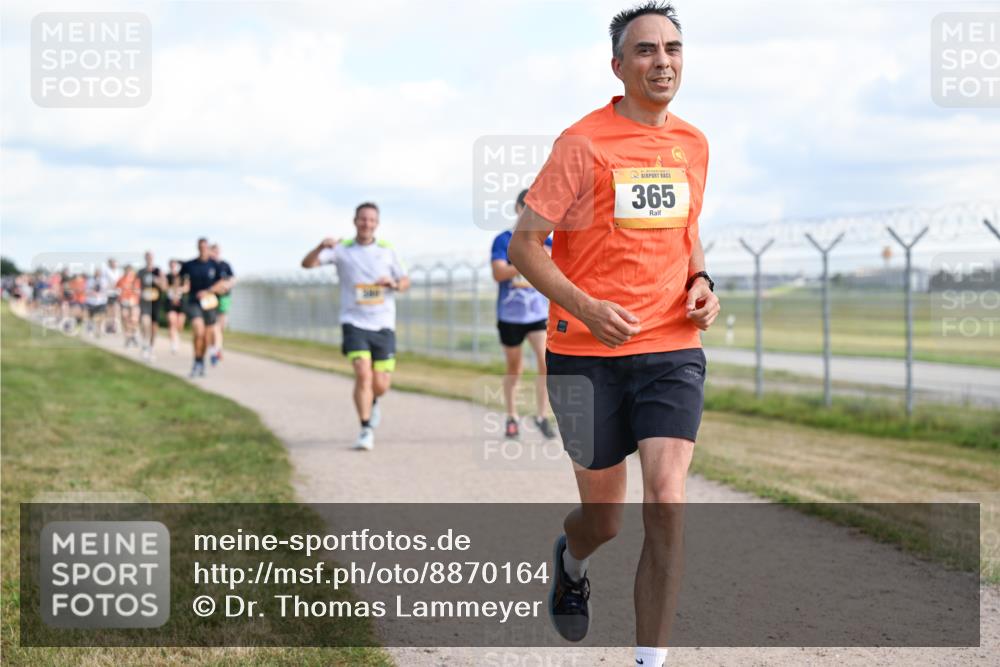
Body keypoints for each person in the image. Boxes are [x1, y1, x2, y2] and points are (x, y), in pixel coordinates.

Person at [507, 4, 720, 665]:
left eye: (674, 49)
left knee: (668, 498)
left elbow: (685, 232)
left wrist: (703, 280)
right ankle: (571, 561)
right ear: (619, 66)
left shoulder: (693, 143)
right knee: (605, 520)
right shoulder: (583, 143)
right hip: (583, 354)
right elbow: (524, 245)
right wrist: (586, 305)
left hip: (670, 347)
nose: (664, 61)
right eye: (648, 50)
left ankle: (649, 660)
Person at [301, 202, 410, 451]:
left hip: (383, 324)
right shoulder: (342, 249)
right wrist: (320, 246)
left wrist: (392, 283)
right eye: (362, 219)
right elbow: (307, 264)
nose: (366, 224)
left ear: (377, 224)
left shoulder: (387, 250)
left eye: (371, 220)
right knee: (362, 372)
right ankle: (365, 428)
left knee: (380, 384)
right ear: (354, 221)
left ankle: (372, 402)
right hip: (353, 321)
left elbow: (405, 281)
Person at [491, 189, 557, 440]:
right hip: (510, 316)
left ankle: (541, 416)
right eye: (529, 207)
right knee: (515, 368)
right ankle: (511, 416)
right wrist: (526, 258)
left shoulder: (548, 243)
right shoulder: (503, 240)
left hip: (538, 315)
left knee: (545, 363)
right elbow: (498, 273)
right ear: (519, 208)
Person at [180, 238, 227, 377]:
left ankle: (201, 361)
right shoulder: (190, 265)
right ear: (197, 248)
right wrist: (181, 288)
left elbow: (222, 283)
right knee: (198, 331)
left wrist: (209, 291)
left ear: (208, 248)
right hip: (194, 302)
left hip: (209, 303)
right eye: (200, 247)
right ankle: (196, 360)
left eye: (205, 247)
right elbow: (181, 281)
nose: (203, 249)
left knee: (206, 336)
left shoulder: (215, 265)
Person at [208, 243, 235, 365]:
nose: (215, 253)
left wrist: (227, 285)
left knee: (221, 326)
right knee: (214, 326)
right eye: (213, 251)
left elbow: (232, 279)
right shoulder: (208, 266)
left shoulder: (225, 265)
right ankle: (216, 350)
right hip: (211, 298)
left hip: (224, 297)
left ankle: (216, 347)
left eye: (217, 251)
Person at [137, 251, 166, 362]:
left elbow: (164, 287)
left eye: (151, 257)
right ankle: (144, 343)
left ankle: (151, 347)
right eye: (147, 257)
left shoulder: (158, 271)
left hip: (156, 301)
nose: (149, 259)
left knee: (154, 327)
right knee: (145, 322)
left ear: (153, 258)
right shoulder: (141, 272)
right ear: (145, 258)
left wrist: (159, 281)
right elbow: (136, 286)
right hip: (144, 301)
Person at [116, 265, 141, 347]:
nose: (129, 272)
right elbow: (117, 290)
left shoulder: (136, 280)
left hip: (134, 302)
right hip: (124, 302)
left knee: (134, 319)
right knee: (125, 318)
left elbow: (138, 290)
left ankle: (133, 334)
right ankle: (129, 336)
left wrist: (135, 293)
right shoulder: (121, 280)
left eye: (130, 270)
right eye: (127, 270)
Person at [164, 259, 186, 354]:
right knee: (172, 322)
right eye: (171, 265)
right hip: (170, 301)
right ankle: (173, 344)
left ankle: (177, 337)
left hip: (180, 301)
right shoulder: (167, 276)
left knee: (180, 324)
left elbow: (187, 287)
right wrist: (172, 289)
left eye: (174, 265)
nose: (173, 267)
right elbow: (164, 287)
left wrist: (179, 290)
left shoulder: (182, 276)